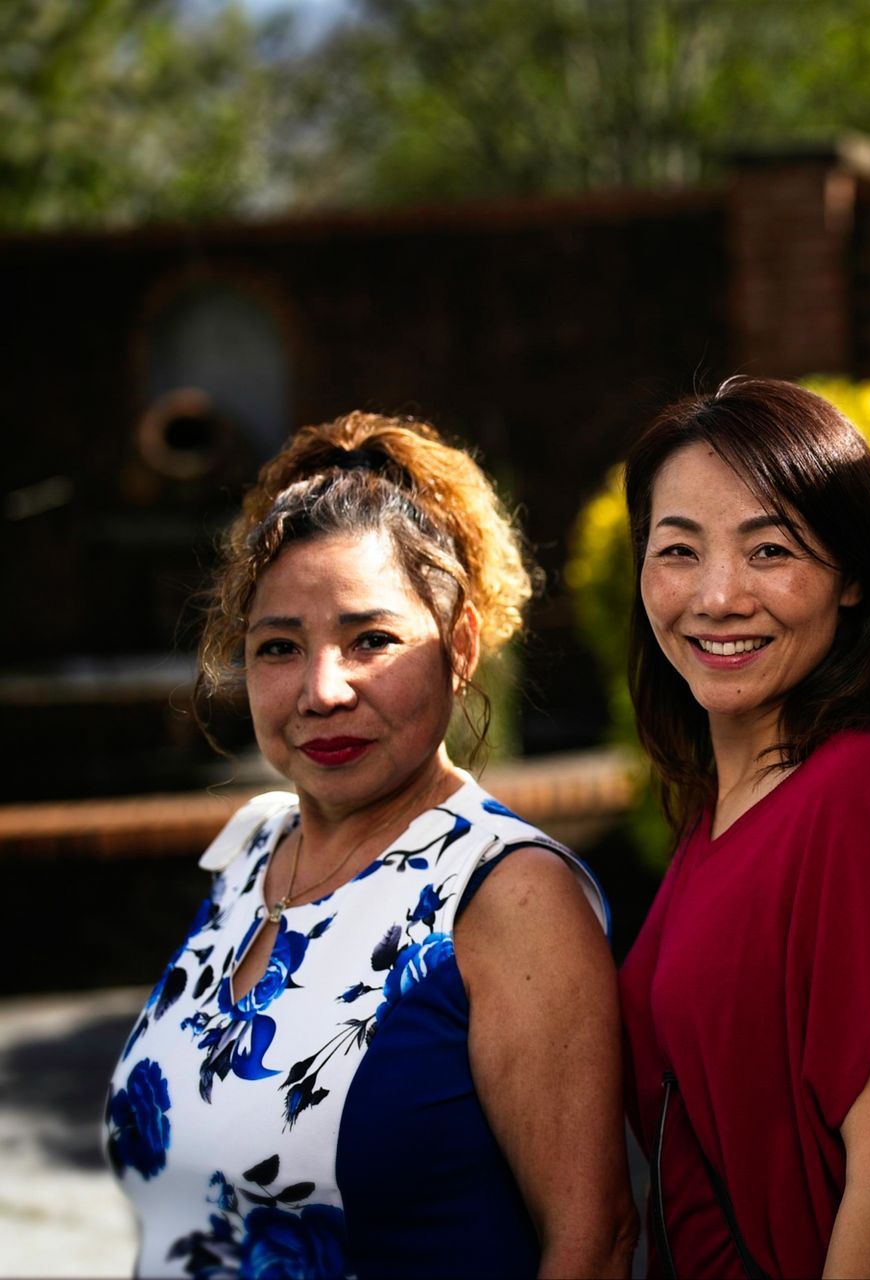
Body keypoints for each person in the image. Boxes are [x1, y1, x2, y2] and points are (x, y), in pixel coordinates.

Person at [105, 412, 637, 1277]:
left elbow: (594, 1241)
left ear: (459, 648)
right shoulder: (250, 857)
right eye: (280, 647)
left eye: (372, 640)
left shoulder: (507, 894)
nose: (322, 690)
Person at [616, 378, 870, 1278]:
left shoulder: (860, 794)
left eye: (770, 550)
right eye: (678, 551)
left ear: (851, 580)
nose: (719, 597)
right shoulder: (711, 809)